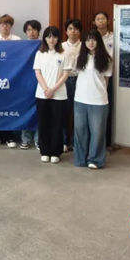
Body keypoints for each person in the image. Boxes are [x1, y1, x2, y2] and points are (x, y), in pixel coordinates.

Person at [71, 29, 113, 169]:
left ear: (98, 41)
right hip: (80, 99)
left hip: (98, 100)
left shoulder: (106, 59)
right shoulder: (80, 57)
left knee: (98, 132)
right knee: (80, 130)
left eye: (93, 39)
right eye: (88, 40)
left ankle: (95, 160)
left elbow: (106, 79)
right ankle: (80, 159)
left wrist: (101, 93)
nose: (91, 43)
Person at [33, 26, 71, 164]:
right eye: (48, 36)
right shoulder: (40, 54)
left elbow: (65, 74)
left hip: (59, 95)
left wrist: (53, 89)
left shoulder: (64, 54)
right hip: (42, 94)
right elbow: (38, 72)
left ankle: (56, 152)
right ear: (44, 38)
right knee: (43, 123)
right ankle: (44, 151)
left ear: (58, 38)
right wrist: (46, 89)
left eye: (54, 36)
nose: (51, 39)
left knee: (57, 124)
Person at [0, 14, 20, 148]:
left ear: (11, 26)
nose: (5, 26)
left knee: (10, 108)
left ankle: (10, 136)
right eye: (2, 24)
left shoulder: (17, 40)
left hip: (12, 77)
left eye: (7, 24)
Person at [93, 11, 115, 151]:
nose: (100, 21)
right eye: (98, 19)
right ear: (94, 22)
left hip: (110, 76)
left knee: (108, 109)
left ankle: (107, 143)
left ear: (108, 21)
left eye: (103, 18)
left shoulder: (114, 37)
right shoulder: (91, 38)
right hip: (94, 77)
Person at [61, 18, 83, 152]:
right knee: (64, 112)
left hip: (81, 81)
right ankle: (64, 141)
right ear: (66, 31)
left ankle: (76, 142)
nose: (73, 31)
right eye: (70, 28)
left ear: (79, 31)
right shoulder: (61, 46)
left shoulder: (85, 46)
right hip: (65, 81)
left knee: (78, 113)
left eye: (75, 29)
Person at [20, 19, 42, 149]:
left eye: (34, 29)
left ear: (38, 31)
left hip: (41, 82)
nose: (31, 32)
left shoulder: (44, 45)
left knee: (40, 110)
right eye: (28, 30)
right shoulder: (21, 46)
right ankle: (26, 138)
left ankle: (38, 139)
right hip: (25, 83)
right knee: (26, 110)